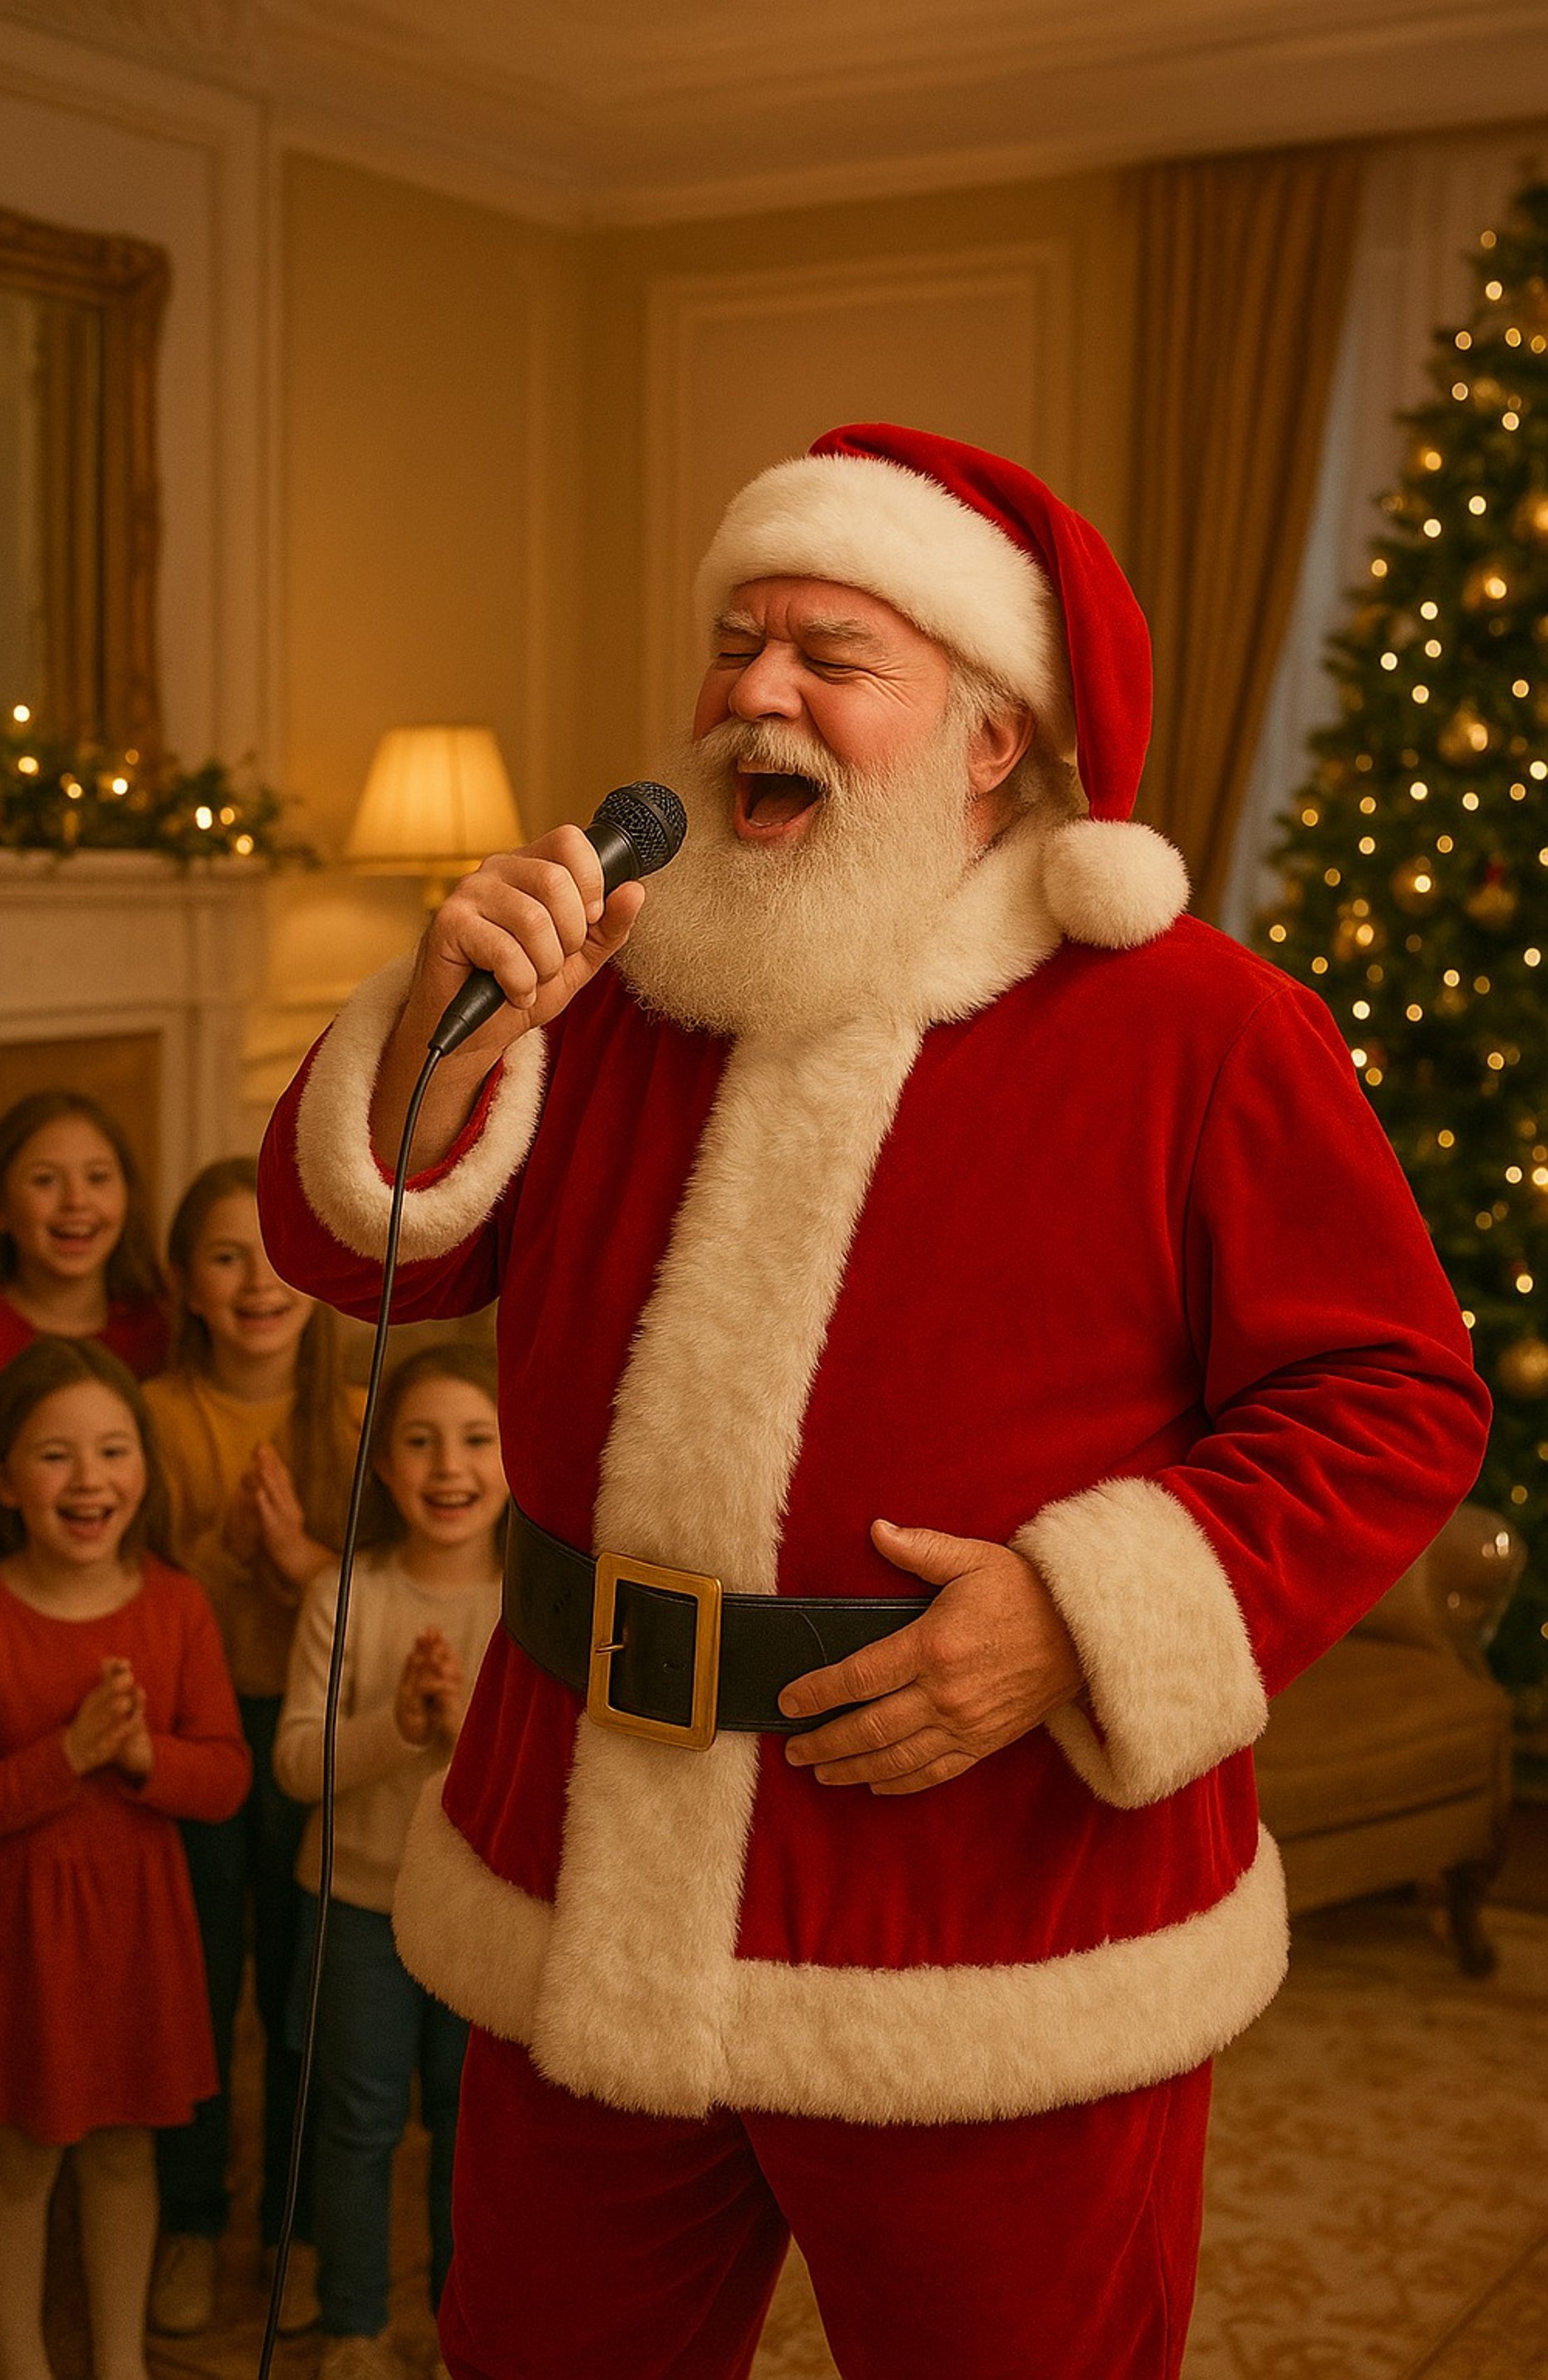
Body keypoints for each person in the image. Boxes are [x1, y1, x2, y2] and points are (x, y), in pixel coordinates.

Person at [256, 423, 1492, 2379]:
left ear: (994, 734)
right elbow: (358, 1257)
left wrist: (1081, 1614)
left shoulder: (1195, 1023)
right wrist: (440, 1021)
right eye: (735, 641)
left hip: (985, 1920)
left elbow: (1390, 1393)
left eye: (831, 653)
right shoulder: (613, 983)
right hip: (581, 1883)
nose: (756, 690)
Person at [0, 1335, 249, 2380]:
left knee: (128, 2152)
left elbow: (226, 1778)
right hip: (18, 1940)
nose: (89, 1480)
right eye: (56, 1456)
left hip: (138, 1929)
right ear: (4, 1481)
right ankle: (21, 2364)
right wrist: (65, 1757)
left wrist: (139, 1756)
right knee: (22, 2157)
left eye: (113, 1451)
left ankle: (121, 2363)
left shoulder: (176, 1604)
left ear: (144, 1469)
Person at [142, 1157, 360, 2337]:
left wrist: (299, 1565)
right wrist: (226, 1559)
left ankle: (294, 2228)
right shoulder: (154, 1416)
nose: (258, 1282)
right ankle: (188, 2219)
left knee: (299, 1995)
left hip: (316, 1740)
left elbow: (395, 1592)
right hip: (191, 1733)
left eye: (275, 1256)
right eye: (228, 1258)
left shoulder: (358, 1421)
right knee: (193, 1988)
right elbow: (127, 1592)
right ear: (187, 1283)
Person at [275, 1344, 505, 2380]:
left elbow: (555, 1782)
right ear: (381, 1465)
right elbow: (296, 1765)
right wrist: (399, 1726)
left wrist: (462, 1736)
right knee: (356, 2123)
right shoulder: (344, 1594)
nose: (448, 1466)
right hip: (355, 1908)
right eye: (419, 1441)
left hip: (477, 1917)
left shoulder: (532, 1606)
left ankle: (466, 2334)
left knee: (471, 2135)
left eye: (476, 1439)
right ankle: (354, 2327)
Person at [0, 1092, 170, 1449]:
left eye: (98, 1177)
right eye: (45, 1180)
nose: (76, 1200)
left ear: (128, 1195)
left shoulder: (163, 1325)